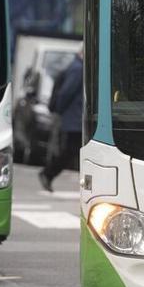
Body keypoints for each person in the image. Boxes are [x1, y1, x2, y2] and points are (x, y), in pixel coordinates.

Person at [39, 47, 83, 192]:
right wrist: (59, 111)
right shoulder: (78, 68)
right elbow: (66, 92)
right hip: (74, 119)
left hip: (73, 118)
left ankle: (48, 173)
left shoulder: (76, 66)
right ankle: (48, 173)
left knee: (72, 150)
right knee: (71, 150)